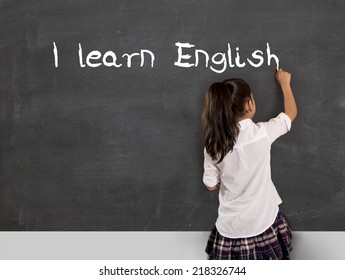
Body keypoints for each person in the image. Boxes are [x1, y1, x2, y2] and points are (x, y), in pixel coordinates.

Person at [202, 69, 297, 260]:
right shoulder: (262, 133)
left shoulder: (213, 144)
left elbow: (211, 184)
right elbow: (290, 114)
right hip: (263, 220)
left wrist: (224, 181)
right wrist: (285, 84)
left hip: (231, 227)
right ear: (249, 104)